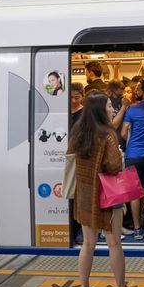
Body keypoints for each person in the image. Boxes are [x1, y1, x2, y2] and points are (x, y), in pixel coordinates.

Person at [67, 92, 134, 287]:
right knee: (114, 243)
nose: (111, 108)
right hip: (108, 193)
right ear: (99, 109)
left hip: (85, 194)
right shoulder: (108, 134)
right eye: (108, 105)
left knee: (88, 243)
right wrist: (120, 157)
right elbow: (113, 166)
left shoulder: (78, 132)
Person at [121, 78, 144, 240]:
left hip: (132, 155)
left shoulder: (131, 109)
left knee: (134, 193)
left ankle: (137, 229)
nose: (136, 92)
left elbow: (123, 132)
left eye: (138, 89)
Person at [69, 82, 85, 245]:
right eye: (71, 97)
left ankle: (80, 229)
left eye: (77, 97)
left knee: (80, 196)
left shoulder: (85, 113)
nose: (73, 101)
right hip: (68, 158)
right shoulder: (63, 113)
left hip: (81, 158)